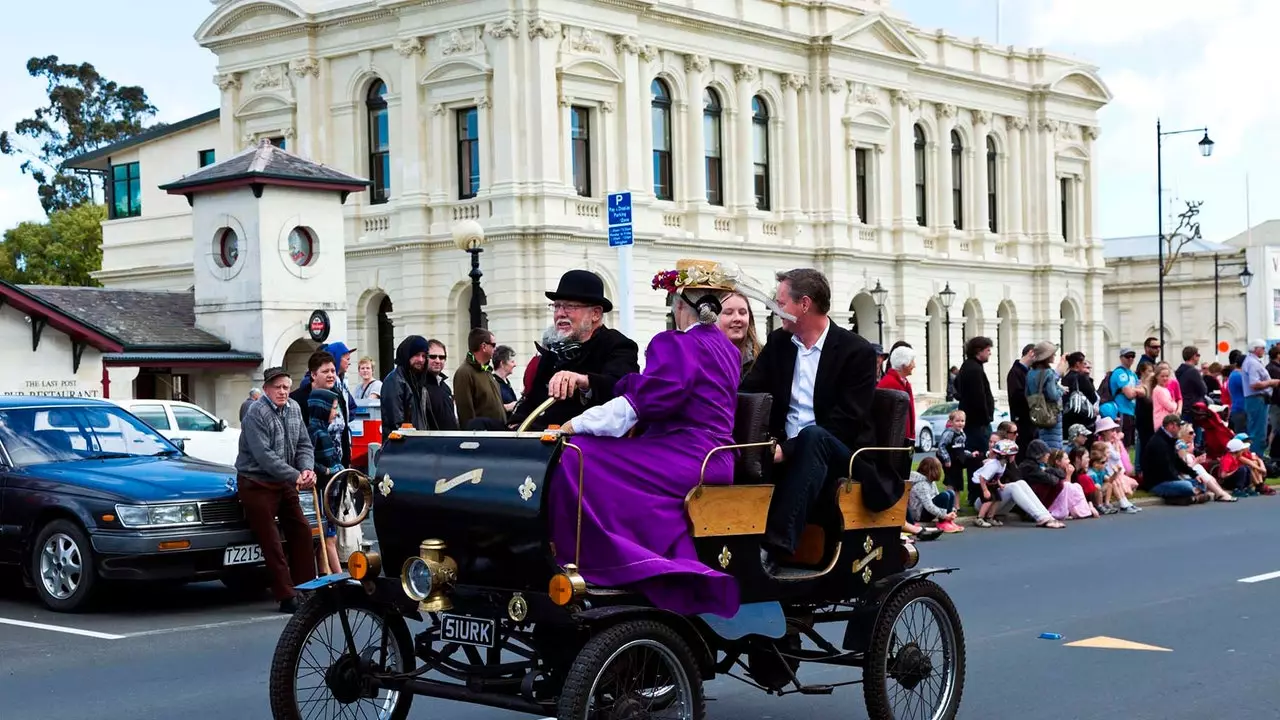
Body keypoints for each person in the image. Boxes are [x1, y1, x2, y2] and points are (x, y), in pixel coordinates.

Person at [548, 259, 759, 618]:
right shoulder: (724, 347)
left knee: (576, 454)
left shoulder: (677, 344)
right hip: (714, 456)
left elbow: (649, 400)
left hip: (686, 454)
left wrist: (575, 424)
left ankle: (595, 559)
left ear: (679, 306)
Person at [741, 268, 898, 561]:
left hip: (846, 454)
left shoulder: (856, 351)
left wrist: (786, 450)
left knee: (814, 436)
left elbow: (846, 422)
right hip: (785, 449)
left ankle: (776, 547)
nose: (777, 310)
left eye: (781, 303)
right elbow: (749, 393)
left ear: (804, 304)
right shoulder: (778, 344)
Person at [509, 270, 640, 431]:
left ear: (596, 314)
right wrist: (515, 423)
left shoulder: (618, 345)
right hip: (537, 436)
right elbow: (532, 398)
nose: (560, 314)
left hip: (579, 441)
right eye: (556, 306)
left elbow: (620, 390)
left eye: (569, 306)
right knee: (481, 426)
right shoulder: (553, 351)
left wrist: (584, 381)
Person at [234, 366, 316, 613]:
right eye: (277, 387)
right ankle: (286, 595)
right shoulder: (255, 413)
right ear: (266, 389)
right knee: (270, 539)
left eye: (286, 387)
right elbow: (264, 457)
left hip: (284, 481)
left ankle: (308, 588)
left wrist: (307, 470)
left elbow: (304, 444)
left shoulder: (294, 409)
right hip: (256, 482)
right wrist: (296, 476)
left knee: (302, 530)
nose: (282, 392)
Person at [380, 335, 458, 440]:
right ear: (407, 355)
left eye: (423, 355)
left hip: (416, 444)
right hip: (403, 447)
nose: (421, 360)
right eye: (416, 355)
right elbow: (395, 423)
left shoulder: (415, 380)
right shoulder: (396, 381)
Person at [306, 387, 345, 574]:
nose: (335, 413)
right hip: (321, 491)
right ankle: (340, 576)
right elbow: (307, 460)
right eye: (333, 408)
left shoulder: (323, 429)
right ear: (322, 408)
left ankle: (325, 573)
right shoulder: (314, 431)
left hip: (330, 490)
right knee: (329, 537)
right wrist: (330, 470)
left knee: (328, 538)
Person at [956, 336, 996, 471]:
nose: (990, 352)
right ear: (979, 351)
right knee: (980, 457)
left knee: (976, 456)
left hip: (974, 422)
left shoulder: (969, 366)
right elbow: (978, 398)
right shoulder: (974, 369)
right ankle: (978, 488)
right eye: (987, 349)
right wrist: (986, 417)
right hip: (978, 424)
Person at [453, 327, 507, 428]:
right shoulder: (464, 372)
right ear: (484, 346)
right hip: (483, 438)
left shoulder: (487, 370)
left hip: (497, 434)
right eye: (493, 345)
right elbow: (465, 413)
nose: (495, 349)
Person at [876, 344, 917, 448]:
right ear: (904, 364)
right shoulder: (889, 383)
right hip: (895, 442)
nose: (914, 365)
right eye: (912, 361)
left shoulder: (904, 382)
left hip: (904, 440)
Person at [908, 457, 962, 533]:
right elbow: (929, 506)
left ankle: (948, 521)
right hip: (920, 515)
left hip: (928, 510)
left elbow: (937, 496)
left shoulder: (930, 481)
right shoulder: (921, 485)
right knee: (944, 495)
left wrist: (951, 510)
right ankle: (943, 522)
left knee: (950, 493)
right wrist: (944, 516)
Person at [717, 291, 762, 379]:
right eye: (728, 312)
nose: (737, 318)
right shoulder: (703, 357)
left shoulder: (763, 356)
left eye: (742, 312)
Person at [492, 344, 520, 417]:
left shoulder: (506, 382)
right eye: (512, 362)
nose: (515, 365)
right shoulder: (492, 383)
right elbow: (489, 409)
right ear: (502, 364)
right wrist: (507, 407)